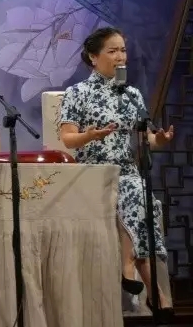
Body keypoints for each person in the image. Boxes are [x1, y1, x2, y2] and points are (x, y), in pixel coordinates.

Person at [59, 27, 174, 315]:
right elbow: (68, 139)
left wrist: (159, 140)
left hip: (126, 170)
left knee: (141, 194)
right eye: (112, 51)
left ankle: (136, 274)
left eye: (123, 50)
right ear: (93, 57)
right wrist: (90, 135)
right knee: (135, 191)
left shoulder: (132, 95)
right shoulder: (78, 93)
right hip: (93, 171)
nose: (120, 56)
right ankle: (146, 282)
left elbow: (146, 139)